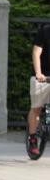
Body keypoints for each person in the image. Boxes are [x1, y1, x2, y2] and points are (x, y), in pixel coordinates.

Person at [27, 21, 50, 159]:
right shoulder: (45, 31)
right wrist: (38, 73)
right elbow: (36, 53)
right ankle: (33, 139)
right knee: (36, 108)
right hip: (43, 76)